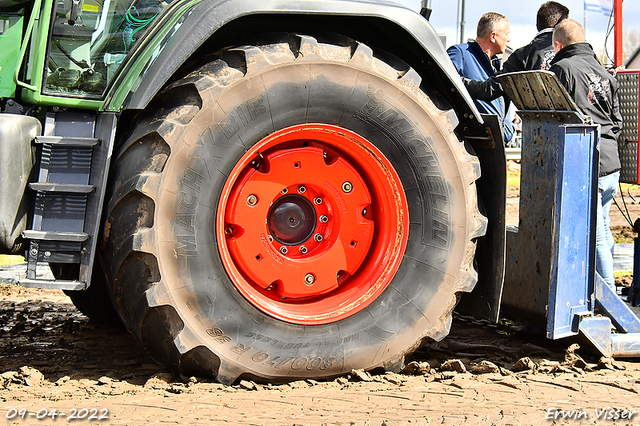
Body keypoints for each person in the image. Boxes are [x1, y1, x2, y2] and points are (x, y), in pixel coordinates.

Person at [550, 18, 622, 289]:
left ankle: (608, 294)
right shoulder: (604, 72)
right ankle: (603, 290)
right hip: (610, 163)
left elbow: (559, 117)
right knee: (603, 226)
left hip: (587, 162)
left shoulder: (562, 69)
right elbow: (617, 122)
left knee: (596, 234)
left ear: (559, 45)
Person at [464, 2, 570, 101]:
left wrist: (455, 80)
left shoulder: (522, 55)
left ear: (538, 25)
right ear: (564, 24)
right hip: (575, 119)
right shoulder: (578, 53)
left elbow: (488, 90)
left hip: (535, 119)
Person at [447, 12, 514, 143]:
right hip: (470, 143)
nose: (509, 39)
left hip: (494, 146)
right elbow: (445, 82)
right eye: (506, 34)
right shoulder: (460, 53)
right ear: (493, 37)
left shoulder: (497, 66)